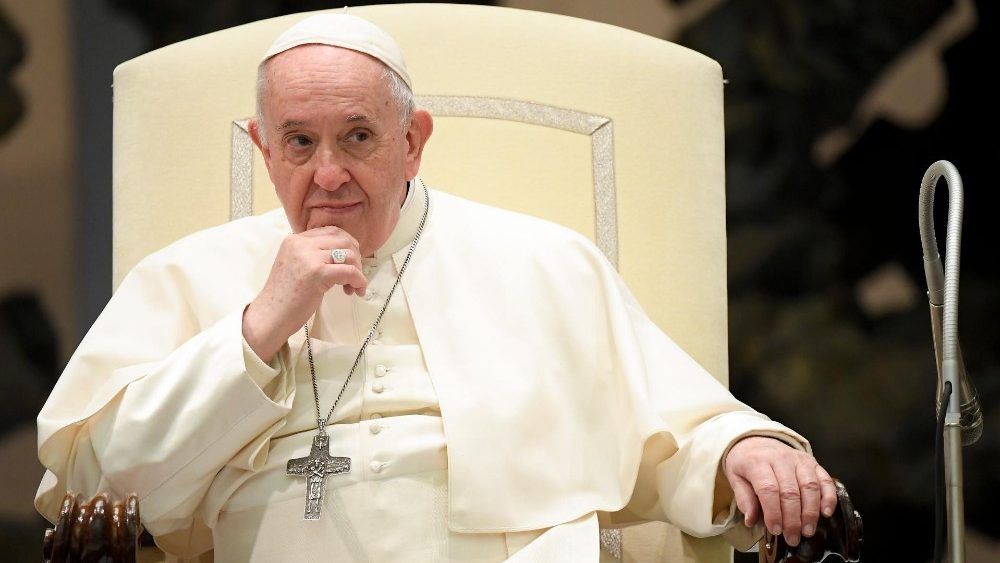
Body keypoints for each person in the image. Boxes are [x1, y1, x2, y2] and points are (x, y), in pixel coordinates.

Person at [35, 13, 837, 562]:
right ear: (263, 148)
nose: (329, 173)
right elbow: (107, 483)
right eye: (300, 142)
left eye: (358, 136)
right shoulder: (189, 276)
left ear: (413, 141)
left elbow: (671, 427)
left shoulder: (543, 262)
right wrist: (256, 328)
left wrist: (748, 447)